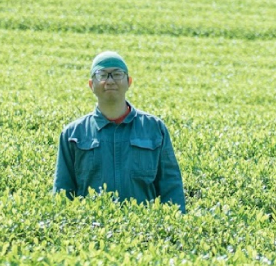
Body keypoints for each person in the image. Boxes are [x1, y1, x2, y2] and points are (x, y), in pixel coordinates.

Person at [54, 50, 186, 212]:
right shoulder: (73, 134)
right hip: (91, 232)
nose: (110, 81)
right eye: (102, 75)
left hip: (145, 232)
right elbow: (63, 191)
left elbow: (171, 186)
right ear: (91, 85)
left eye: (117, 74)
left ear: (129, 82)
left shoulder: (154, 128)